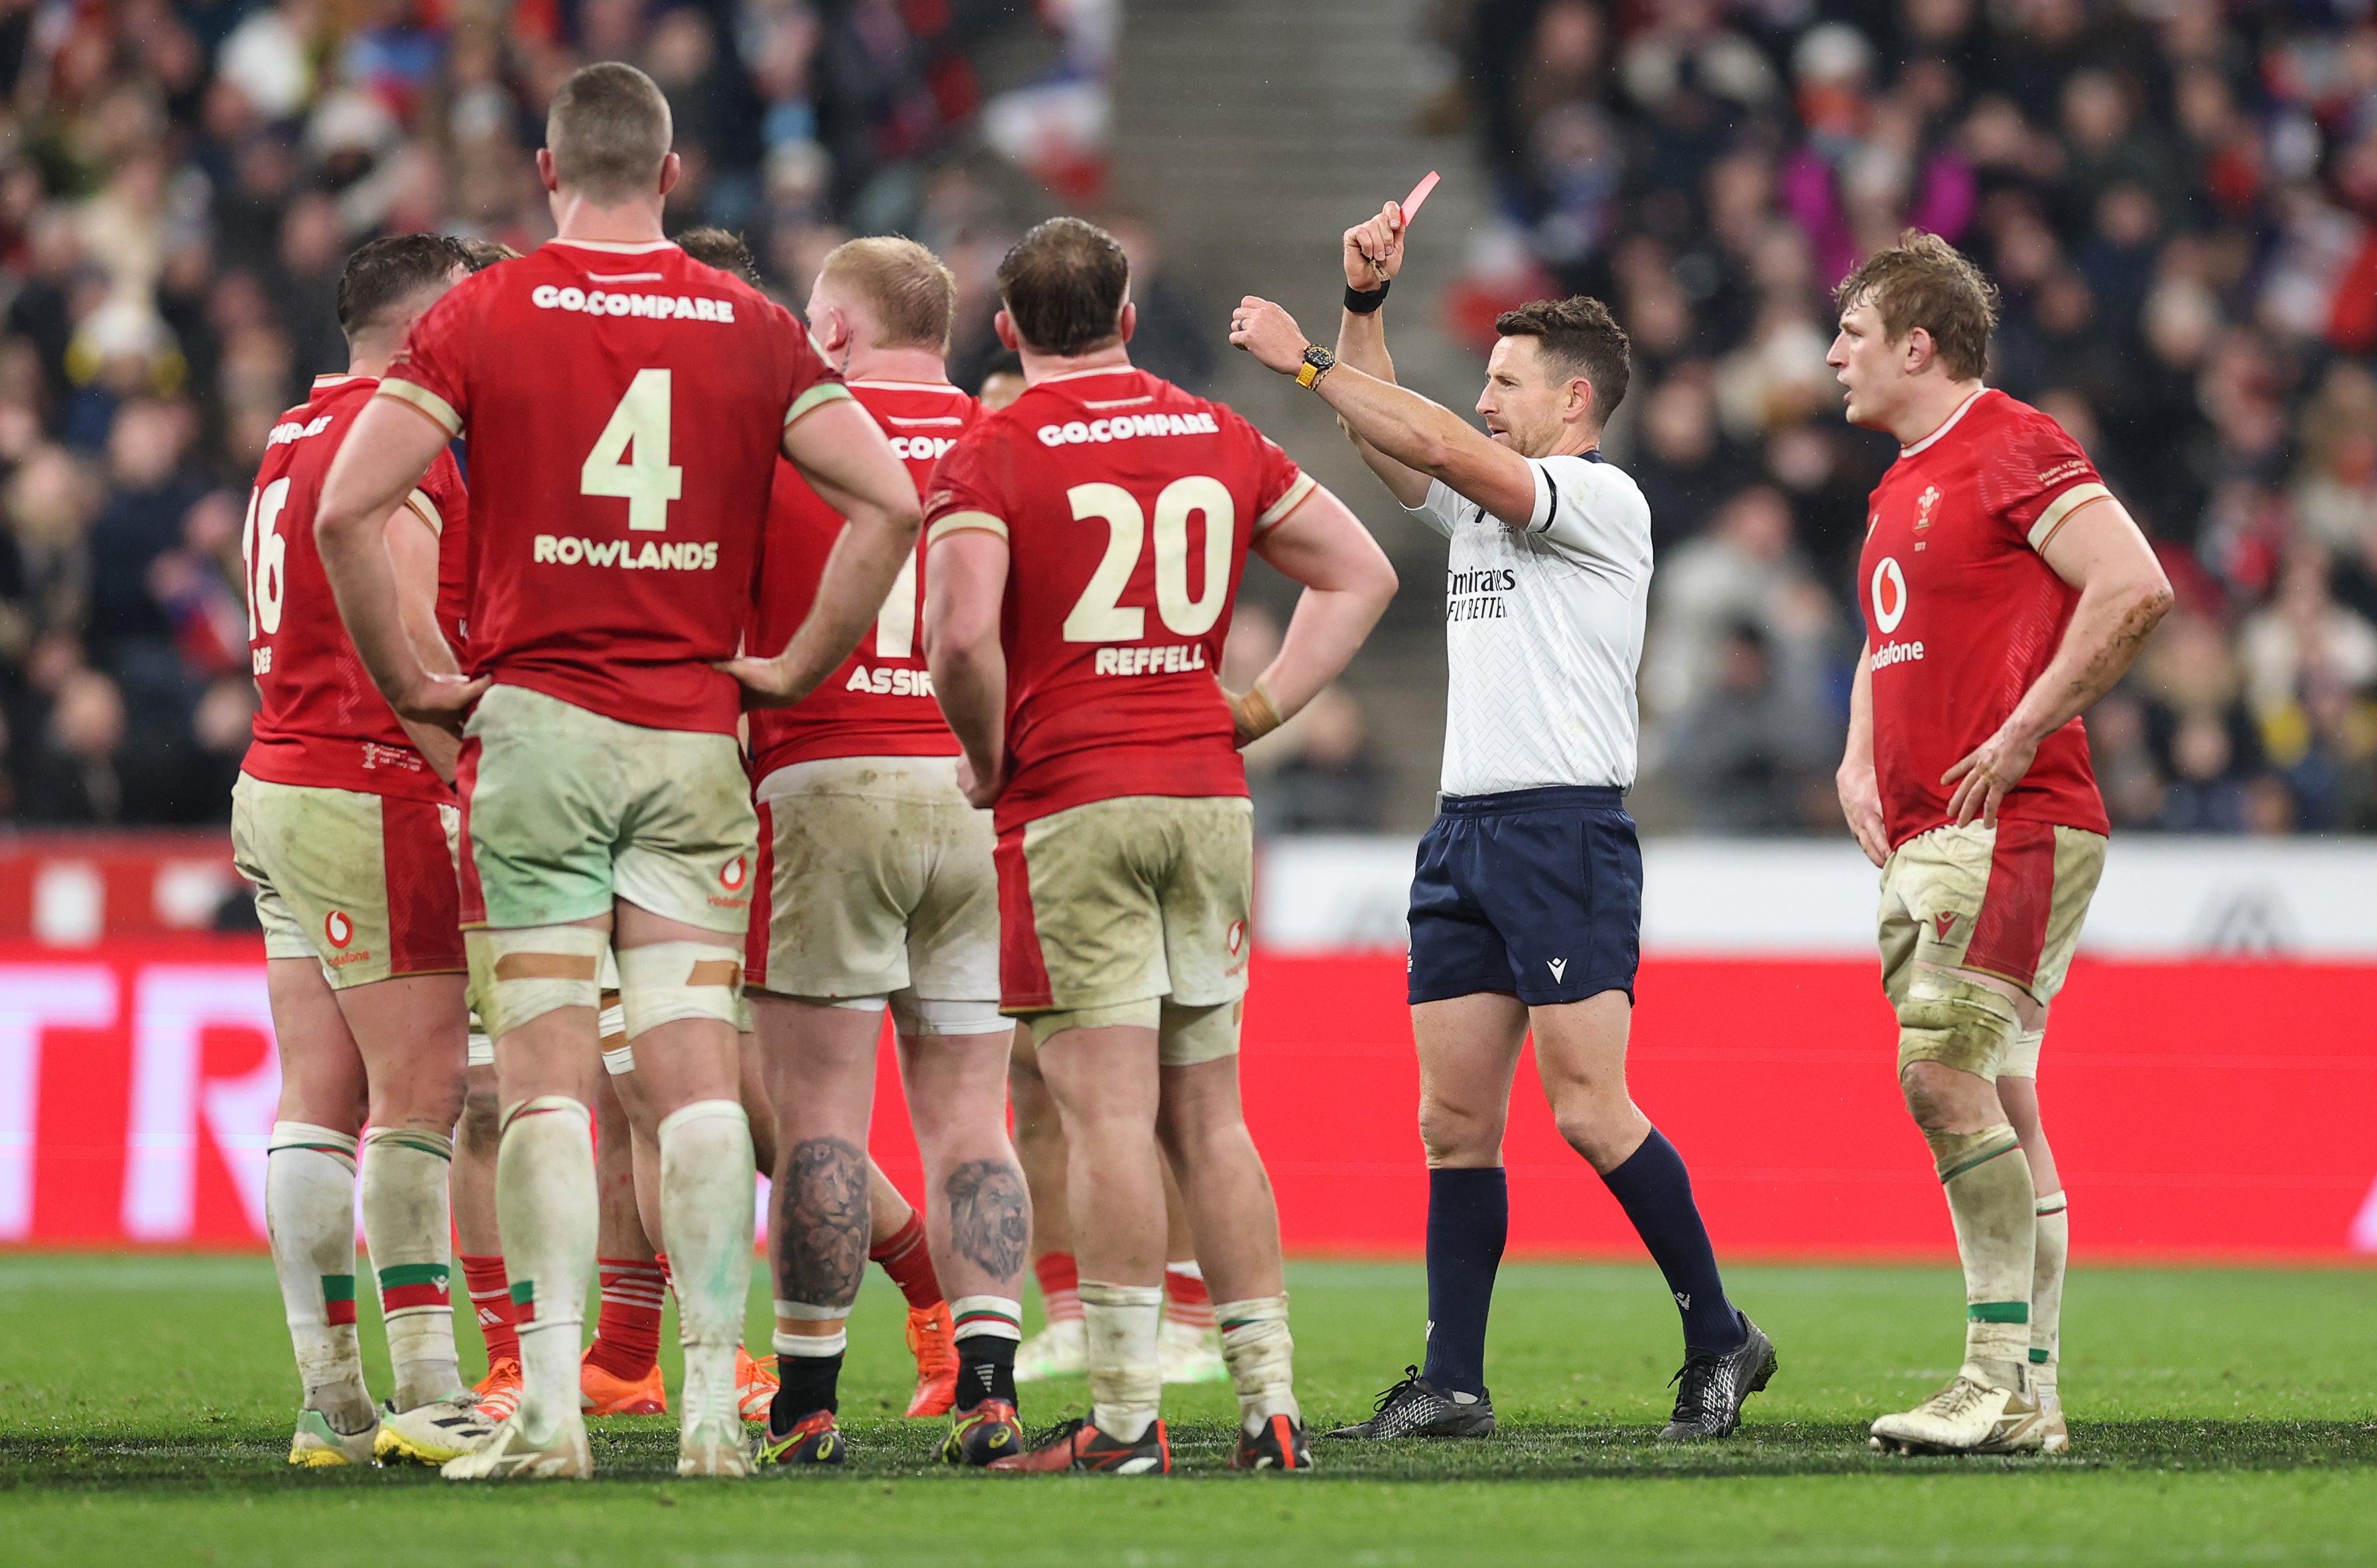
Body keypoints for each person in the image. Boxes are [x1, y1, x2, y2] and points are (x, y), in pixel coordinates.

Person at [314, 62, 919, 1481]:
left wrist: (414, 682)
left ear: (545, 170)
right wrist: (790, 666)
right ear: (669, 173)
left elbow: (350, 507)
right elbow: (890, 498)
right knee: (698, 1078)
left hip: (538, 730)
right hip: (691, 734)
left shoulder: (483, 312)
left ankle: (553, 1416)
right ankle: (714, 1413)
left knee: (543, 1083)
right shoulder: (752, 325)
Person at [1229, 199, 1777, 1443]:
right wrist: (1362, 314)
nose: (1482, 400)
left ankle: (1719, 1336)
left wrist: (1309, 358)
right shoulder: (1488, 496)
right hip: (1464, 833)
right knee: (1452, 1123)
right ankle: (1457, 1384)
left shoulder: (1600, 501)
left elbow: (1438, 445)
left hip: (1564, 831)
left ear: (1574, 402)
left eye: (1504, 381)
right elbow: (1395, 440)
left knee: (1590, 1110)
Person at [925, 217, 1398, 1473]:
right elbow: (1359, 575)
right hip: (1205, 794)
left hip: (1078, 794)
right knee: (1212, 1117)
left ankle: (1126, 1421)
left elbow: (961, 638)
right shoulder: (1209, 428)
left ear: (1009, 330)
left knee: (1105, 1121)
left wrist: (984, 756)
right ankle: (1271, 1408)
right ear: (1129, 319)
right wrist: (1256, 709)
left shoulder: (996, 445)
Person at [1828, 231, 2171, 1456]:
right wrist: (1860, 753)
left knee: (1942, 1076)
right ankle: (2036, 1397)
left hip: (2015, 824)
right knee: (2003, 1099)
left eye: (1854, 337)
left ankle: (1992, 1382)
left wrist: (2028, 726)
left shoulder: (2014, 443)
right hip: (1933, 831)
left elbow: (2132, 584)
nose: (1833, 358)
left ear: (1920, 345)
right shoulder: (1897, 482)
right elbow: (1892, 637)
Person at [713, 228, 1027, 1469]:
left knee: (821, 1119)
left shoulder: (788, 436)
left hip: (829, 772)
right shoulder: (1003, 440)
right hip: (976, 788)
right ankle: (991, 1386)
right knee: (970, 1117)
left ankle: (808, 1402)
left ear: (835, 331)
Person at [237, 232, 494, 1470]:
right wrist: (464, 778)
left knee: (316, 1103)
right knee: (422, 1091)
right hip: (365, 781)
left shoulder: (294, 429)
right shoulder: (396, 445)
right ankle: (435, 1389)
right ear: (426, 322)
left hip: (276, 779)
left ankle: (329, 1398)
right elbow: (403, 631)